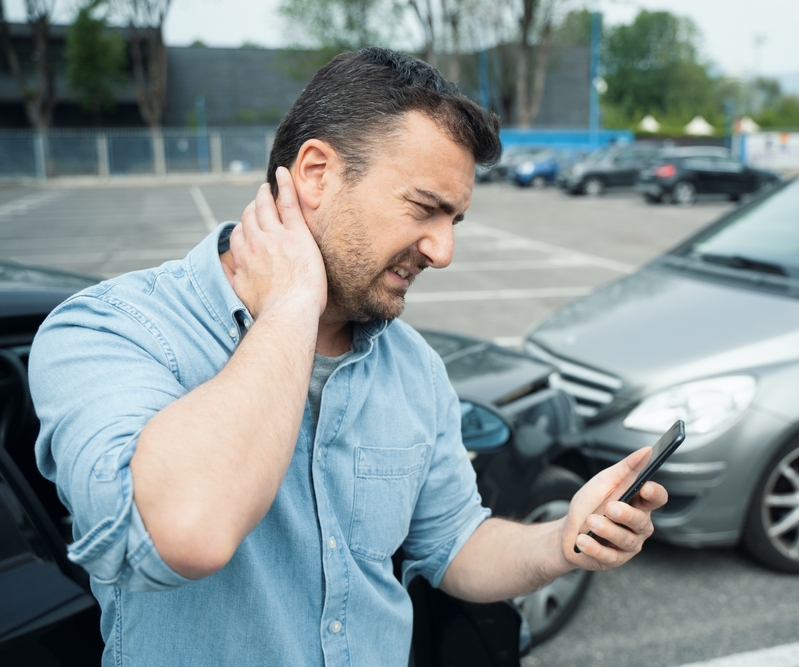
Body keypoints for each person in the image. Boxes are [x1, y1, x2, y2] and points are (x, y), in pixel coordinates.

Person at [29, 47, 667, 666]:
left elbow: (452, 545)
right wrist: (288, 309)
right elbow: (184, 531)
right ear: (315, 174)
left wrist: (561, 541)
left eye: (456, 221)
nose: (443, 251)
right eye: (424, 207)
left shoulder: (412, 366)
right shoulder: (114, 329)